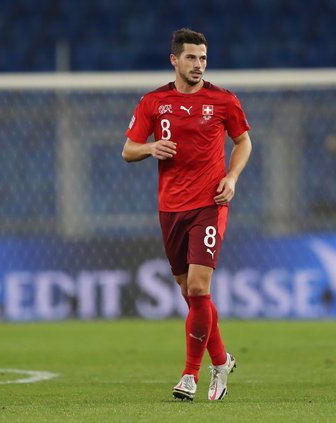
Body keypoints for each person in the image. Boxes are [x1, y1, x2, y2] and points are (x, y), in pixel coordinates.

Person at [122, 28, 252, 401]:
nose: (199, 65)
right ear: (174, 60)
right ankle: (222, 359)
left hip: (210, 204)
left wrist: (232, 176)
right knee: (190, 292)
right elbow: (127, 150)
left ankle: (190, 375)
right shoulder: (153, 102)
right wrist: (151, 148)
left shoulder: (223, 100)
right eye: (192, 58)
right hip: (170, 209)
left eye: (204, 58)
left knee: (198, 287)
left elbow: (243, 141)